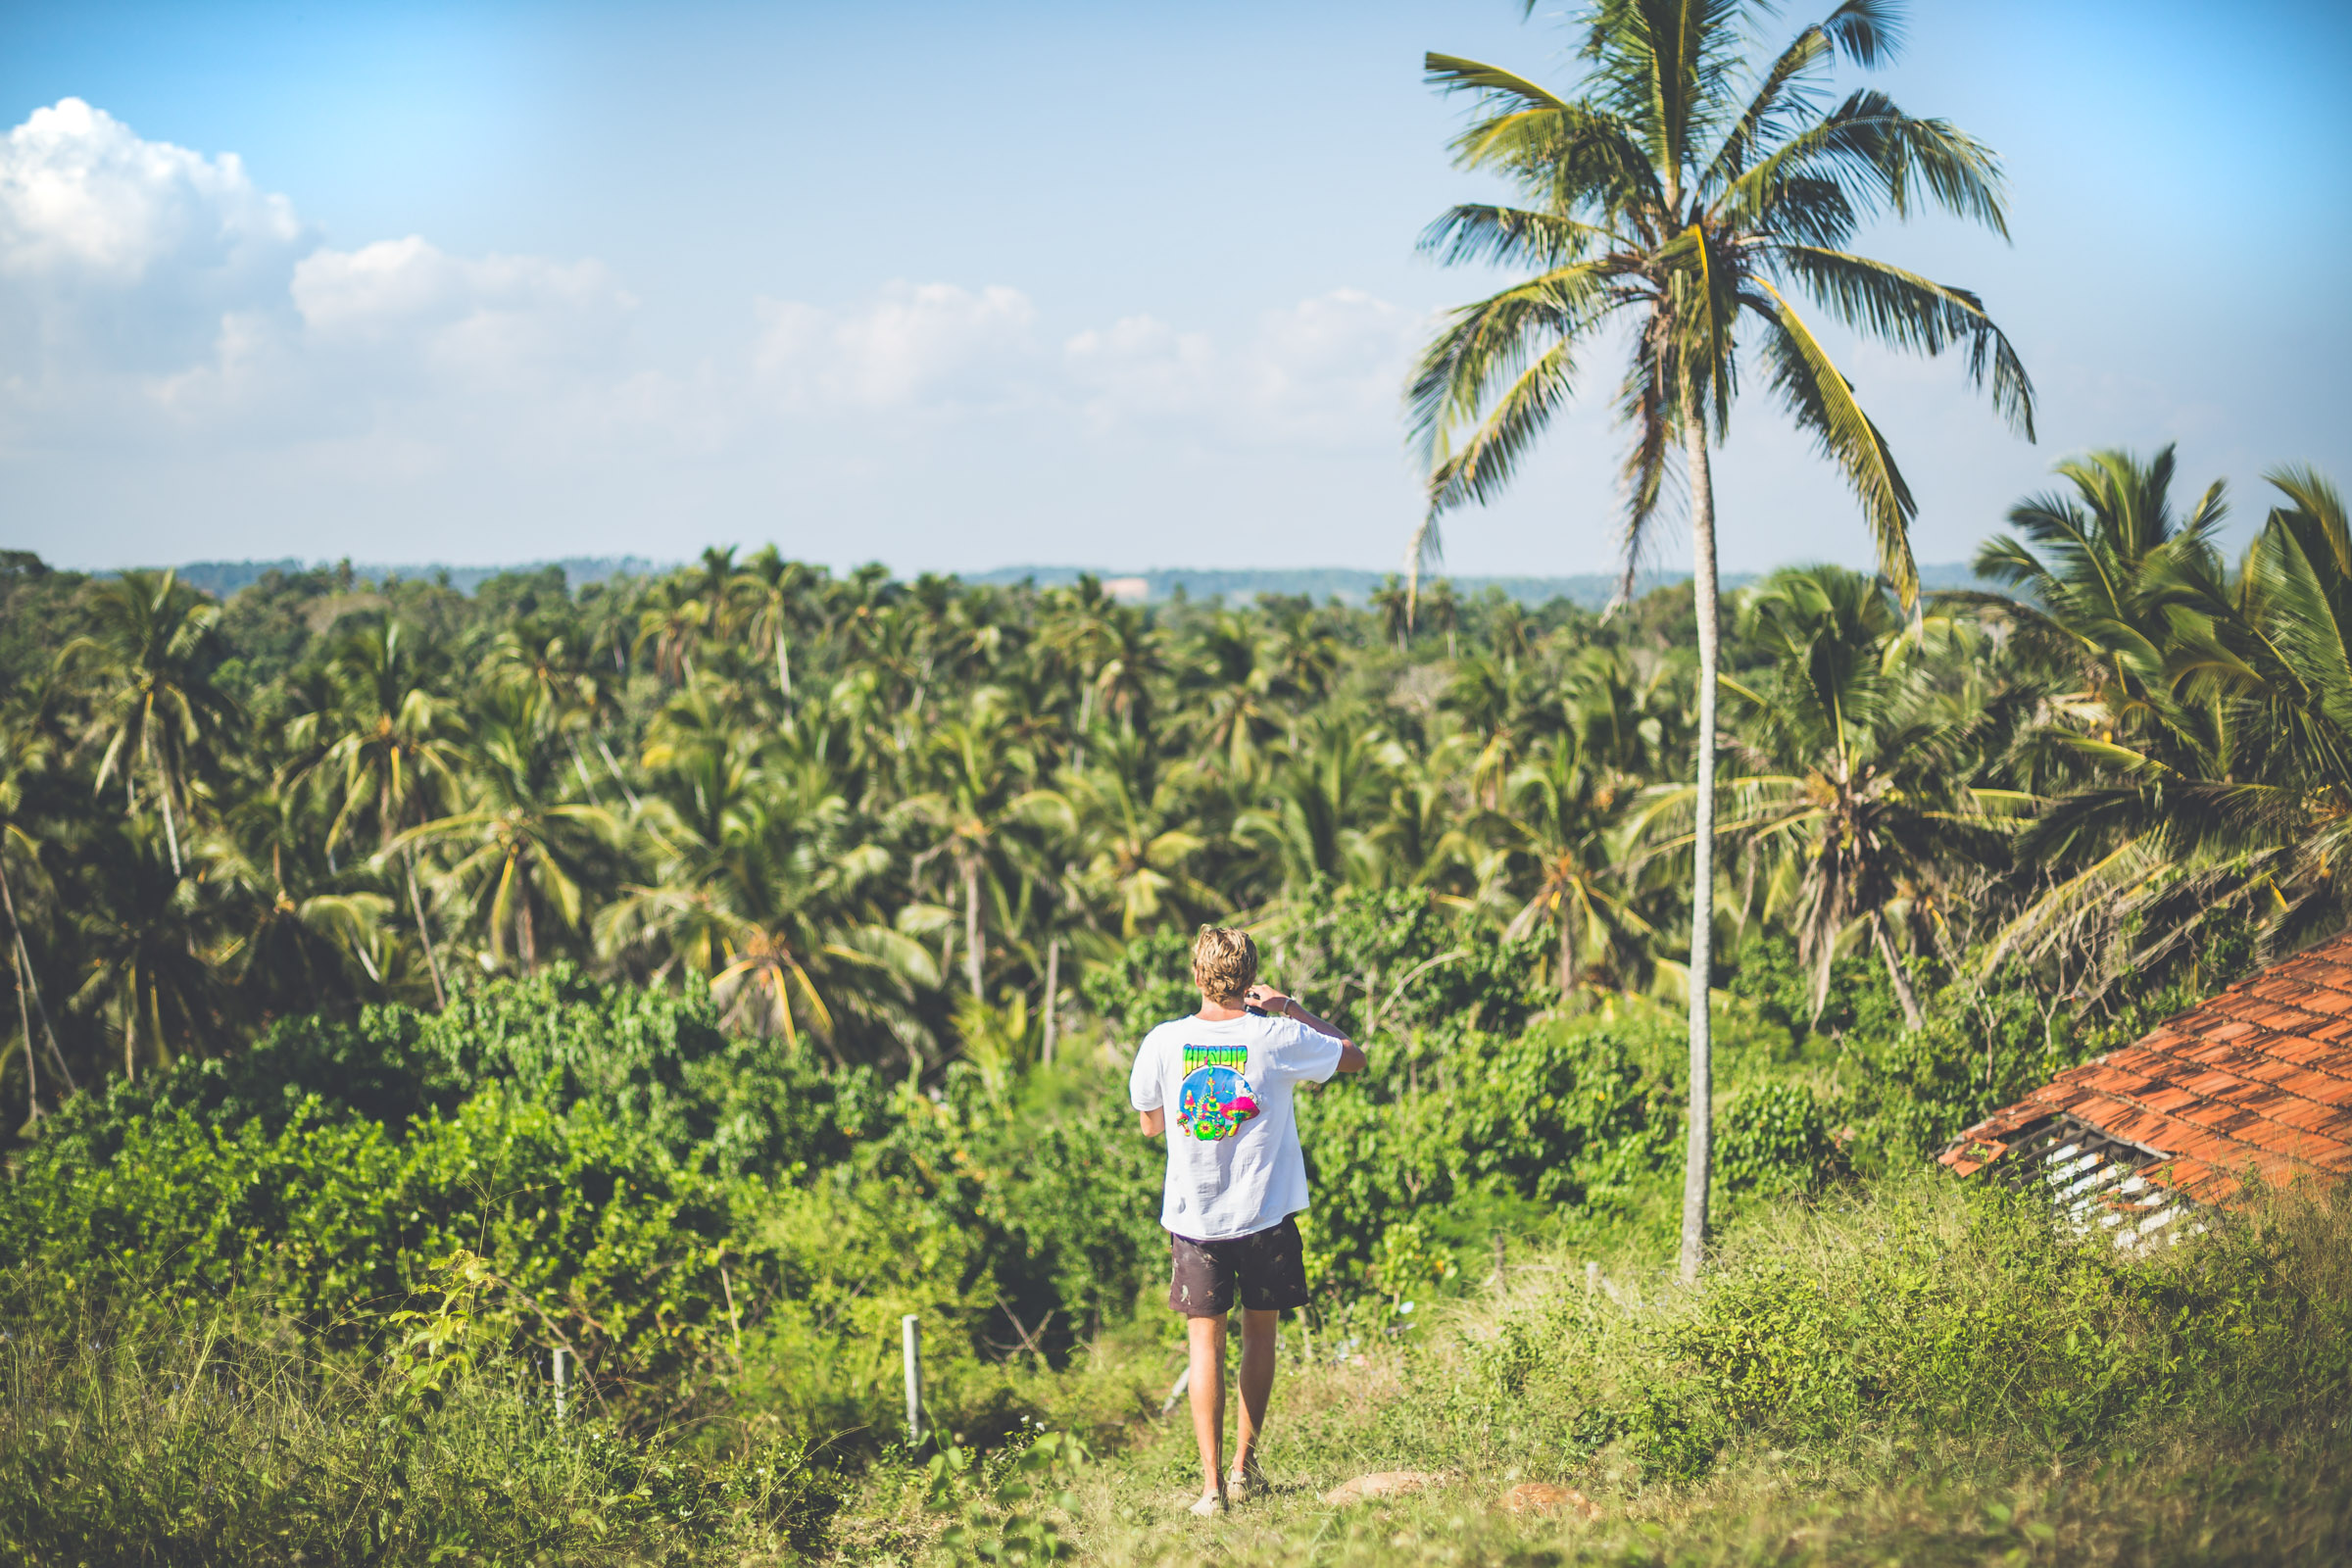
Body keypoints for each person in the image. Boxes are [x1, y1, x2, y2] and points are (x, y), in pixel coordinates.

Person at [1129, 925, 1366, 1515]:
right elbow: (1353, 1056)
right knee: (1261, 1335)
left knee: (1203, 1347)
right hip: (1265, 1213)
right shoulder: (1279, 1035)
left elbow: (1150, 1123)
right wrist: (1290, 1006)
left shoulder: (1163, 1041)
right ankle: (1243, 1469)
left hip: (1197, 1216)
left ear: (1197, 975)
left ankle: (1210, 1488)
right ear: (1250, 977)